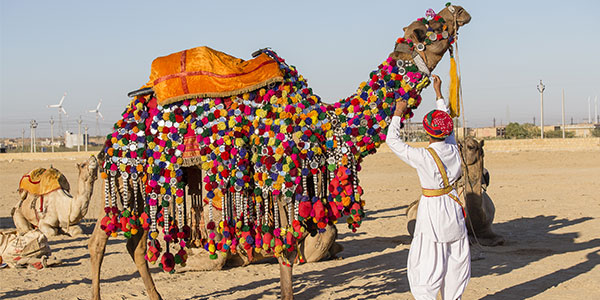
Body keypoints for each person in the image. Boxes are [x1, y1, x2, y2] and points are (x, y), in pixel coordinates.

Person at [386, 75, 470, 299]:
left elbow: (392, 141)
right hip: (453, 209)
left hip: (432, 212)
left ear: (426, 132)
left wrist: (398, 112)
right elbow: (448, 128)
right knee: (455, 263)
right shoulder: (453, 148)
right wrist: (439, 94)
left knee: (428, 265)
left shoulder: (423, 156)